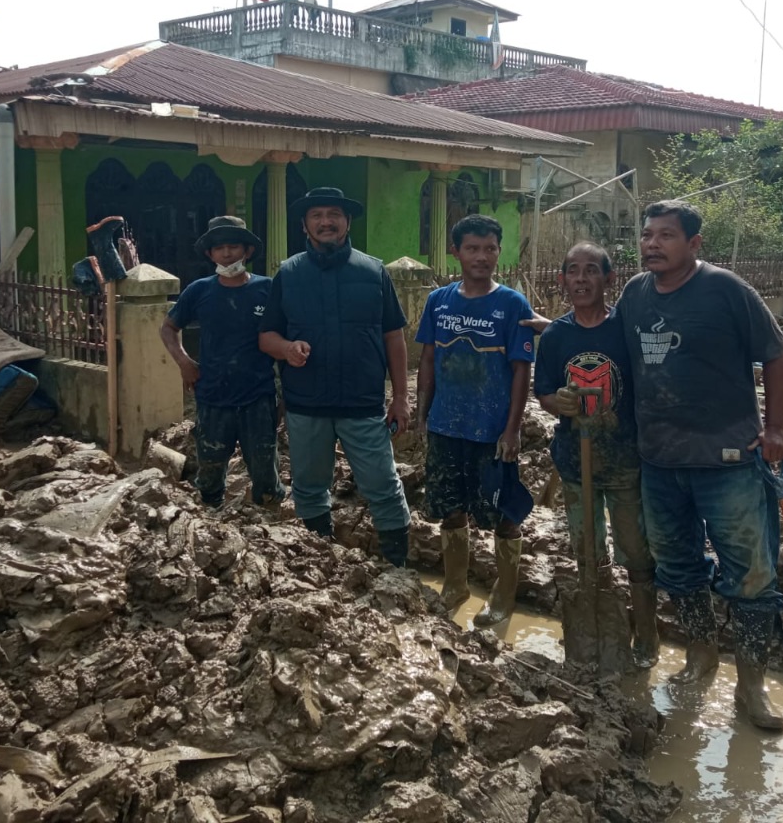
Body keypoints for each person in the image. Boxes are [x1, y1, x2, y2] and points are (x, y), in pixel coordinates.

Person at [616, 199, 783, 731]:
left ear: (693, 245)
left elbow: (775, 354)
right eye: (647, 235)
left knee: (752, 573)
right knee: (677, 565)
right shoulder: (634, 295)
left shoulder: (727, 290)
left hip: (729, 459)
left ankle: (752, 685)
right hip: (661, 462)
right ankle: (700, 656)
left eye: (665, 236)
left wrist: (776, 428)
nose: (652, 244)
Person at [258, 187, 412, 566]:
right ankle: (321, 564)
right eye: (317, 215)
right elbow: (266, 336)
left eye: (334, 214)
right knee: (309, 489)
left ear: (346, 222)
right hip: (306, 403)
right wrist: (287, 349)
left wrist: (401, 397)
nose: (326, 221)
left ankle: (398, 568)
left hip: (362, 403)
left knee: (383, 486)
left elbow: (394, 336)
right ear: (304, 225)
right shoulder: (289, 273)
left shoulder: (374, 271)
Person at [533, 242, 660, 668]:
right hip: (575, 460)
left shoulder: (624, 330)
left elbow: (647, 383)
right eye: (573, 271)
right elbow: (545, 391)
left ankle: (646, 636)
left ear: (609, 279)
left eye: (592, 271)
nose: (582, 279)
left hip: (625, 459)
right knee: (586, 547)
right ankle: (600, 622)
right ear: (562, 281)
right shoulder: (555, 336)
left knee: (636, 551)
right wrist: (560, 403)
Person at [416, 214, 535, 626]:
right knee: (451, 509)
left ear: (498, 251)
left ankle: (503, 598)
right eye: (472, 248)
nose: (481, 257)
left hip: (492, 432)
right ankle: (455, 586)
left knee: (503, 514)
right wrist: (422, 414)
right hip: (446, 425)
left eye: (489, 249)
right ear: (456, 252)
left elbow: (521, 369)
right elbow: (429, 358)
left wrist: (513, 428)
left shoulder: (512, 305)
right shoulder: (439, 301)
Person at [160, 216, 285, 509]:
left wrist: (285, 396)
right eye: (220, 248)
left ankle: (269, 531)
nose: (227, 253)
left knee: (266, 478)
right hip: (213, 397)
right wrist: (184, 362)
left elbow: (285, 341)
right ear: (210, 254)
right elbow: (168, 328)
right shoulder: (199, 291)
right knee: (210, 476)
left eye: (233, 246)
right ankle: (211, 525)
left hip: (258, 398)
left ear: (248, 252)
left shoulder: (268, 290)